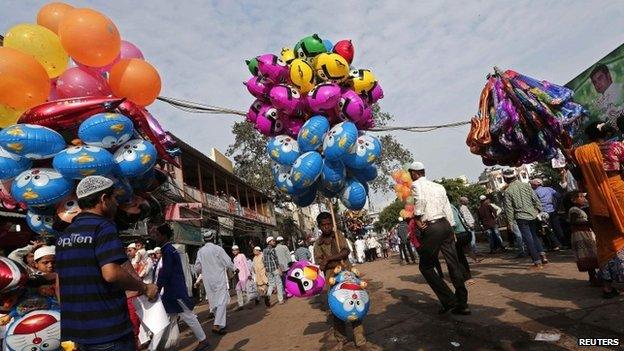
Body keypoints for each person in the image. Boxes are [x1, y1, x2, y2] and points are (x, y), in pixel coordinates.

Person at [55, 176, 159, 351]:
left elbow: (59, 282)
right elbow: (111, 273)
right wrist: (144, 287)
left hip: (78, 333)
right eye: (114, 198)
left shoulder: (64, 235)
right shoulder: (103, 226)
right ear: (103, 199)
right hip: (108, 330)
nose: (117, 204)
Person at [409, 161, 470, 315]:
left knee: (426, 267)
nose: (411, 177)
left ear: (415, 173)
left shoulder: (417, 185)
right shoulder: (439, 186)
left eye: (411, 174)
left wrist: (417, 217)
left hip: (432, 227)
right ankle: (462, 303)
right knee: (453, 263)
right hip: (445, 225)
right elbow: (447, 207)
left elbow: (421, 201)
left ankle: (449, 301)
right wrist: (452, 227)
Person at [574, 121, 624, 297]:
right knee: (621, 236)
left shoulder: (580, 152)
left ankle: (608, 286)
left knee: (604, 240)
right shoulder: (618, 147)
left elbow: (579, 178)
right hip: (619, 193)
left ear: (589, 136)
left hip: (596, 198)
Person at [313, 212, 368, 349]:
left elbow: (346, 252)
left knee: (355, 303)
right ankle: (341, 338)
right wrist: (333, 262)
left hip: (348, 275)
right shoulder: (317, 244)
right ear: (319, 226)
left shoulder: (338, 235)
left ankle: (359, 338)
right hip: (332, 280)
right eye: (323, 225)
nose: (326, 227)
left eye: (328, 224)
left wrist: (329, 259)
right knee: (337, 308)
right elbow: (321, 264)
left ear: (332, 224)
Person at [151, 224, 210, 350]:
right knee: (166, 318)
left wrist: (156, 287)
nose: (156, 238)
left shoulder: (168, 250)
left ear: (163, 236)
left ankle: (203, 339)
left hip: (175, 291)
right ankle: (161, 345)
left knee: (186, 316)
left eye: (157, 235)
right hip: (172, 291)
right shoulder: (170, 249)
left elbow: (166, 272)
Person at [502, 169, 548, 269]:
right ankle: (543, 255)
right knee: (534, 236)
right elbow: (535, 199)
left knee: (528, 239)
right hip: (533, 214)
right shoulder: (526, 185)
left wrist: (510, 222)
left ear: (505, 178)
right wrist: (538, 210)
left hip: (521, 217)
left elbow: (509, 209)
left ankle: (537, 261)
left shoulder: (508, 191)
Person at [193, 228, 235, 335]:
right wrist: (235, 268)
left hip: (208, 281)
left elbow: (197, 268)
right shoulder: (218, 249)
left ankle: (221, 324)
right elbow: (228, 262)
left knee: (214, 302)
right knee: (222, 301)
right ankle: (217, 325)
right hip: (219, 279)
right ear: (213, 238)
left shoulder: (200, 251)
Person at [564, 191, 600, 286]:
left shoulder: (579, 209)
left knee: (590, 255)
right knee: (587, 254)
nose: (583, 199)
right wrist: (588, 222)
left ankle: (593, 277)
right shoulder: (574, 210)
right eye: (580, 197)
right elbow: (573, 222)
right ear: (573, 200)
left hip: (585, 233)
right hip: (580, 235)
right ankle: (593, 278)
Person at [530, 178, 565, 250]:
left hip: (543, 213)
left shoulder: (534, 192)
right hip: (553, 210)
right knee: (557, 227)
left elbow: (534, 203)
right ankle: (564, 243)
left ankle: (556, 245)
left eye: (531, 184)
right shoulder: (549, 189)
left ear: (534, 185)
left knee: (549, 229)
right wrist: (556, 206)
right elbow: (558, 196)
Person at [450, 204, 474, 285]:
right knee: (460, 257)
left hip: (458, 235)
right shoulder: (452, 206)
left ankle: (466, 277)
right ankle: (466, 276)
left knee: (459, 257)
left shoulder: (449, 208)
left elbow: (454, 223)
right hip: (462, 233)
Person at [263, 236, 284, 306]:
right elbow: (275, 260)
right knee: (279, 283)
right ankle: (280, 300)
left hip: (268, 270)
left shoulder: (264, 250)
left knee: (271, 284)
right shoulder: (273, 250)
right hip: (274, 269)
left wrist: (266, 270)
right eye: (273, 241)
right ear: (269, 242)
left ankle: (268, 295)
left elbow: (264, 261)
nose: (274, 242)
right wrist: (279, 268)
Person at [232, 245, 252, 310]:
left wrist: (249, 274)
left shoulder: (242, 255)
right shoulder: (234, 259)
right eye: (233, 250)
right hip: (239, 277)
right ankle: (241, 304)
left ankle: (250, 302)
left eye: (236, 250)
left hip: (245, 275)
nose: (235, 251)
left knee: (246, 290)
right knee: (238, 290)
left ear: (238, 250)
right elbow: (235, 267)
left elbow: (246, 265)